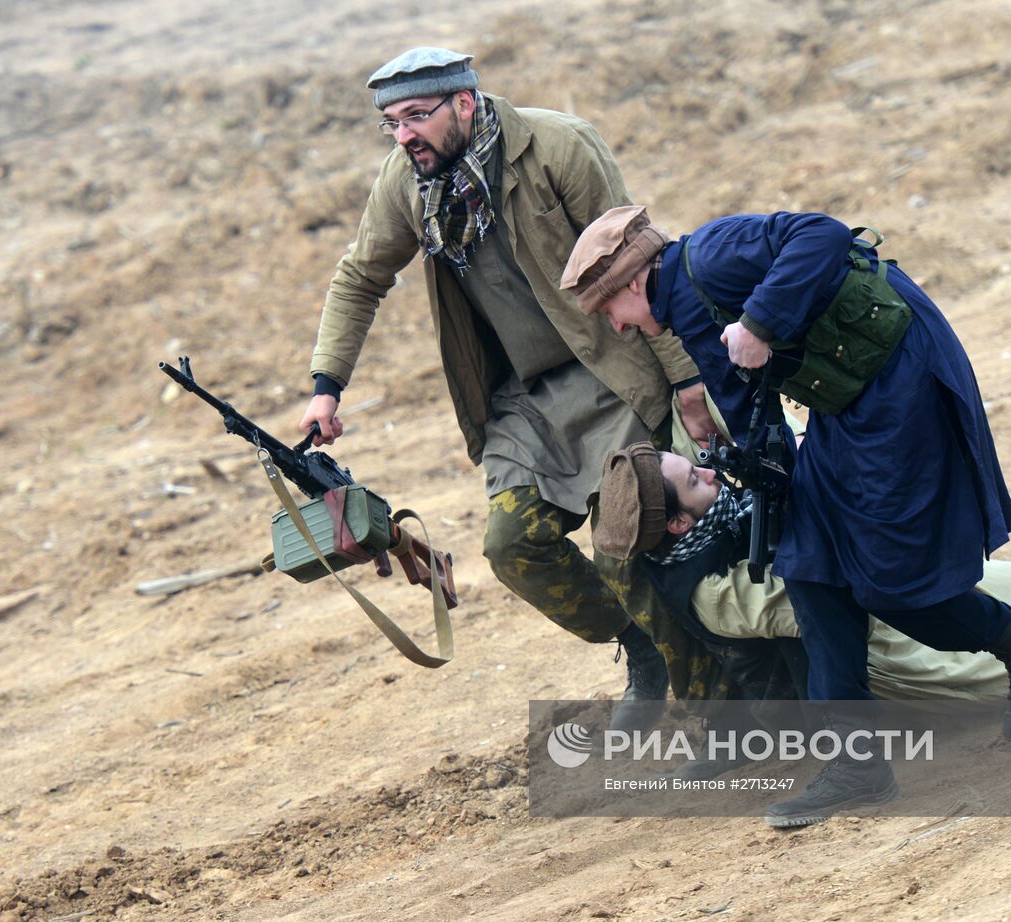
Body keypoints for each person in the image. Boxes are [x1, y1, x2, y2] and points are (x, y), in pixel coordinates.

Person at [561, 205, 1011, 822]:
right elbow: (745, 397)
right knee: (809, 562)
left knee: (887, 575)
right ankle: (857, 762)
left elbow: (822, 235)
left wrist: (758, 321)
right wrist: (756, 468)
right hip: (845, 405)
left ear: (633, 282)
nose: (617, 328)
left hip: (899, 380)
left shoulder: (713, 254)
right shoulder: (685, 314)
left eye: (610, 311)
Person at [296, 48, 723, 727]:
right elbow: (359, 278)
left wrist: (690, 384)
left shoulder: (557, 146)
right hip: (523, 402)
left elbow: (641, 261)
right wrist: (327, 387)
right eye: (390, 123)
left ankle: (719, 718)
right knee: (512, 547)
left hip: (611, 372)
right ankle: (639, 644)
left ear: (464, 103)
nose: (403, 135)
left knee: (628, 550)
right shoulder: (407, 183)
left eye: (416, 117)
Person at [595, 442, 1011, 816]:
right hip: (896, 642)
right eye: (693, 479)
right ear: (677, 525)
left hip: (900, 579)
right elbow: (824, 588)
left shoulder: (715, 512)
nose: (711, 472)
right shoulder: (710, 591)